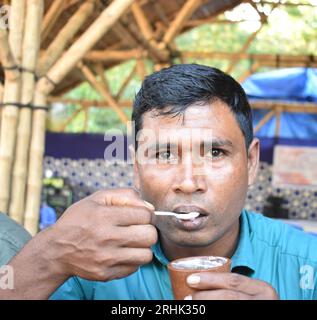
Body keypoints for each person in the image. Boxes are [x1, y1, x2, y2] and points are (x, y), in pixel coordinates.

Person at [1, 64, 317, 300]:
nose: (189, 182)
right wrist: (52, 253)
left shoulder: (308, 264)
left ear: (250, 162)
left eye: (216, 152)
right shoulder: (86, 265)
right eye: (164, 154)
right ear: (137, 167)